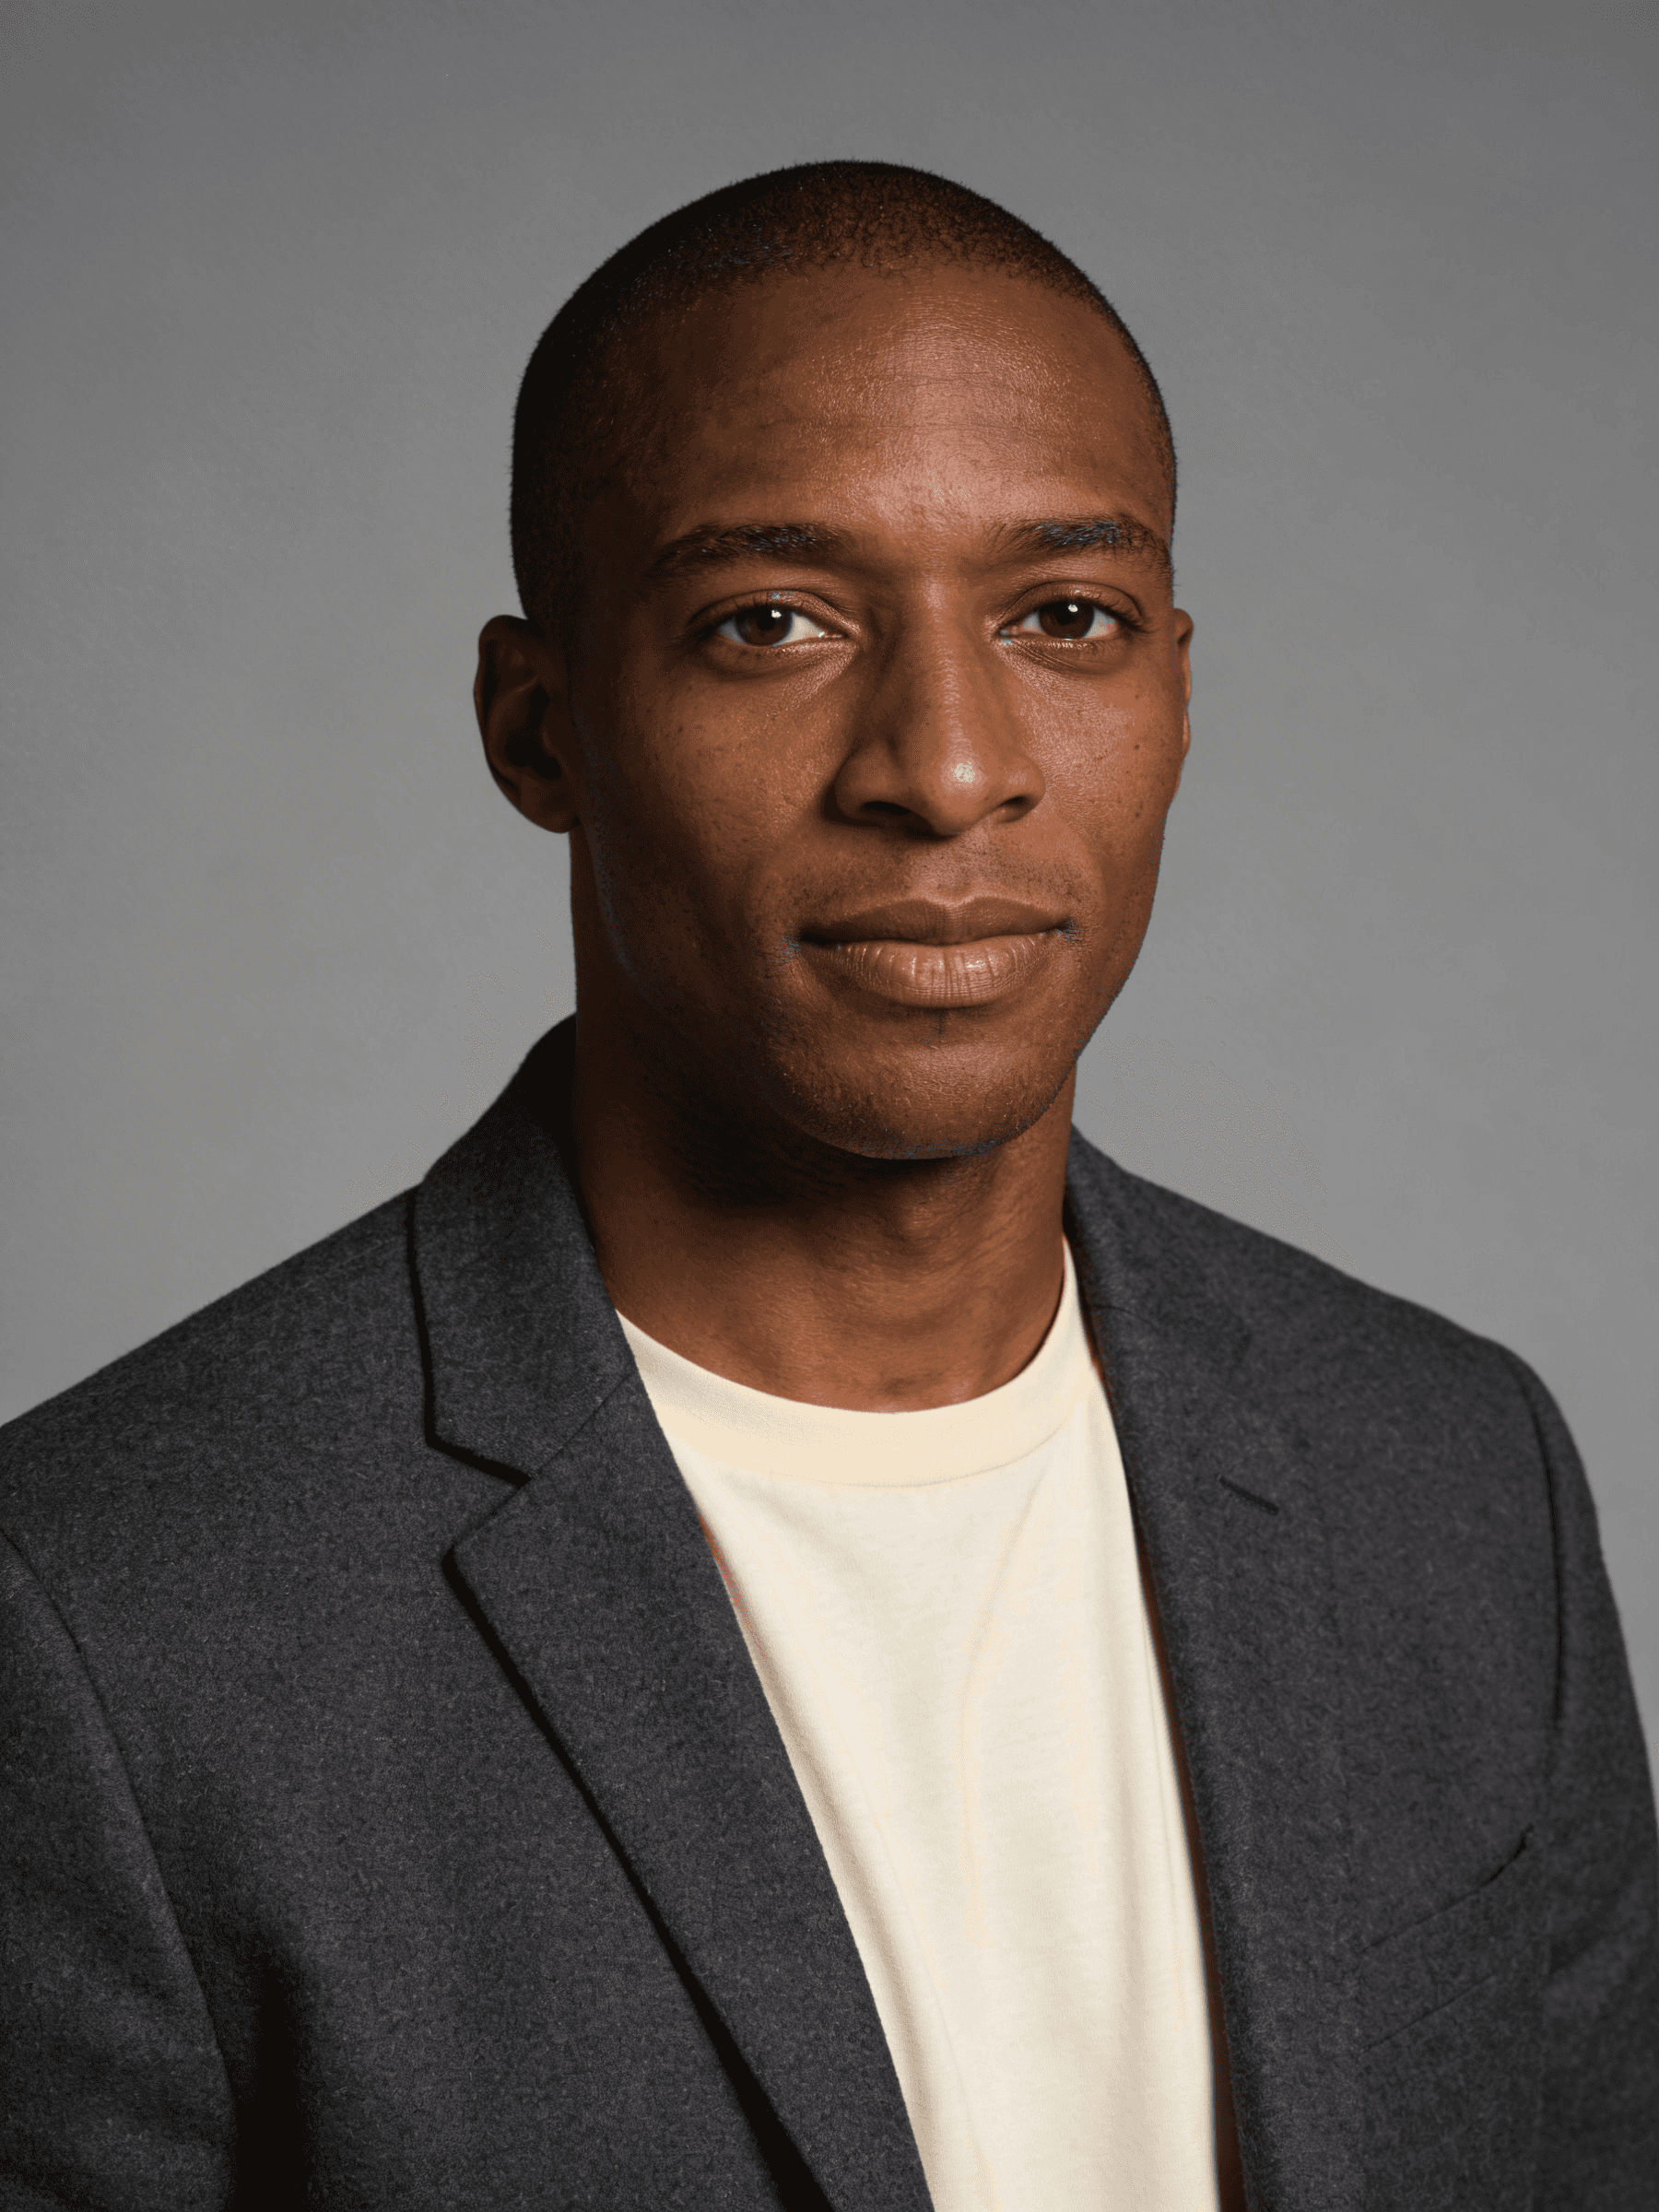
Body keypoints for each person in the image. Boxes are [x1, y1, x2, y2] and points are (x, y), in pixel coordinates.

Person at [1, 160, 1653, 2212]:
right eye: (768, 622)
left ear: (1179, 689)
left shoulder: (1455, 1475)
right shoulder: (97, 1616)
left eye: (1065, 617)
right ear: (541, 730)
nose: (947, 766)